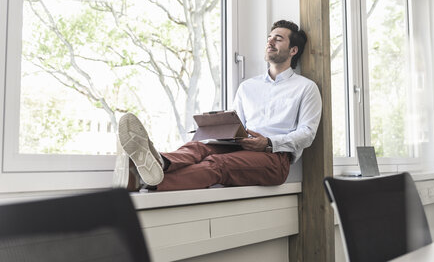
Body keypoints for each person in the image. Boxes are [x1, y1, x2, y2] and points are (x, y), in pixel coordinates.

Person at [117, 20, 322, 191]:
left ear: (293, 50)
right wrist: (218, 127)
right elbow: (237, 125)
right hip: (242, 147)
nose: (270, 42)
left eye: (278, 39)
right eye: (269, 38)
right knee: (199, 147)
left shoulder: (306, 88)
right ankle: (159, 163)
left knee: (218, 164)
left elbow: (307, 134)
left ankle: (148, 182)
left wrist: (268, 142)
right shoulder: (248, 87)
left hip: (275, 159)